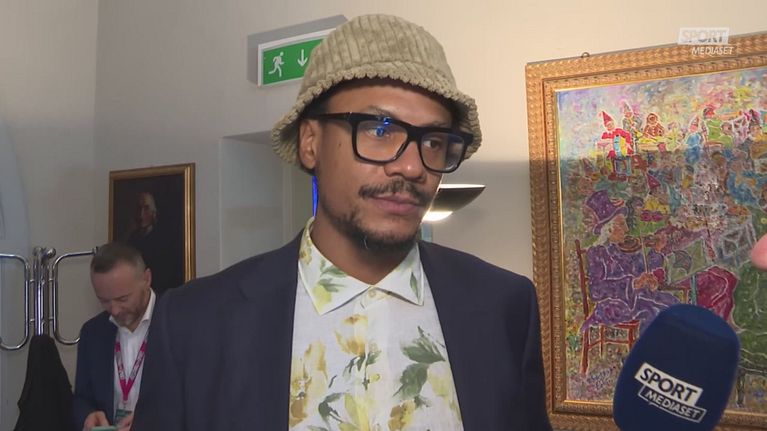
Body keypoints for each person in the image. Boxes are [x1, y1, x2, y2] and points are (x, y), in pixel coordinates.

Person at [134, 14, 551, 431]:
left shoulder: (503, 307)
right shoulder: (196, 323)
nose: (412, 166)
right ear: (310, 143)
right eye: (379, 130)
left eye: (433, 141)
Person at [73, 242, 156, 431]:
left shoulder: (176, 324)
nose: (115, 310)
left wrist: (150, 421)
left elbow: (196, 397)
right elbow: (81, 398)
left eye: (122, 299)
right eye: (104, 301)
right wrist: (87, 416)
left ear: (146, 279)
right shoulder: (92, 332)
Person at [124, 191, 183, 296]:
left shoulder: (165, 238)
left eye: (146, 208)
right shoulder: (133, 239)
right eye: (139, 208)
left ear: (154, 212)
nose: (141, 214)